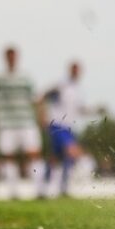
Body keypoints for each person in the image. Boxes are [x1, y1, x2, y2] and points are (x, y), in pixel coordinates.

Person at [0, 46, 45, 199]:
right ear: (5, 58)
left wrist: (41, 115)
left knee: (34, 154)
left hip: (26, 122)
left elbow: (35, 98)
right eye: (9, 56)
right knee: (8, 156)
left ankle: (39, 190)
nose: (11, 59)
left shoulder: (26, 78)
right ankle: (12, 192)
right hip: (7, 123)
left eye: (13, 56)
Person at [42, 60, 87, 198]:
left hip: (67, 126)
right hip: (57, 125)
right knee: (73, 152)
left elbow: (79, 109)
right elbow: (43, 96)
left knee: (56, 158)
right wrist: (42, 116)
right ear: (70, 70)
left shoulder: (76, 89)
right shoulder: (62, 85)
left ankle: (44, 187)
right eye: (74, 69)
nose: (76, 72)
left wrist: (95, 110)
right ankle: (64, 187)